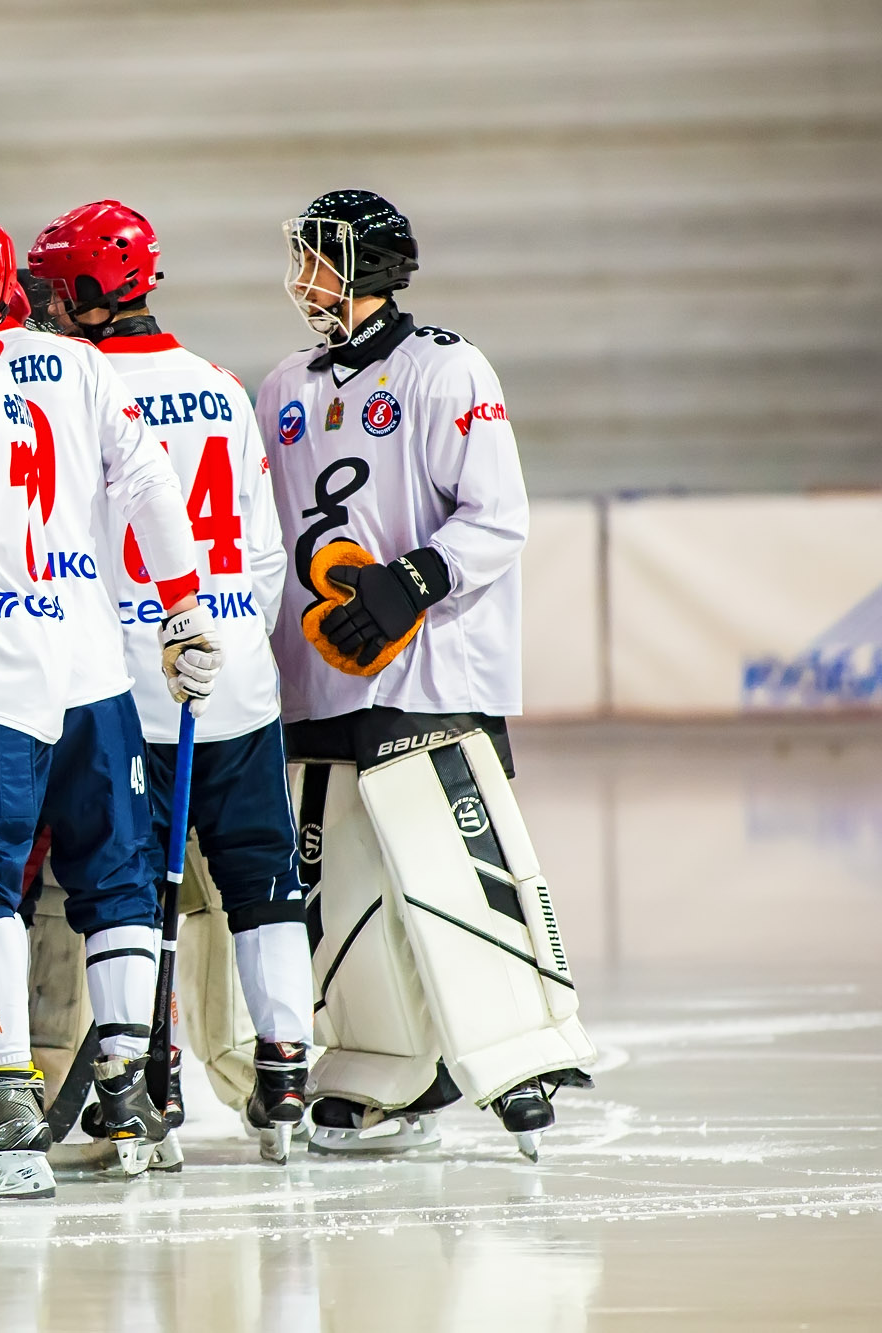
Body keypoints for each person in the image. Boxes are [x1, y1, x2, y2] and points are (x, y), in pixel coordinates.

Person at [259, 189, 594, 1160]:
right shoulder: (281, 382)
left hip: (431, 669)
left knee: (453, 864)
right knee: (334, 882)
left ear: (366, 268)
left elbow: (495, 513)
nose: (302, 276)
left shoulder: (447, 367)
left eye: (318, 257)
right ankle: (382, 1068)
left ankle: (519, 1053)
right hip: (314, 679)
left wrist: (412, 584)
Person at [32, 198, 311, 1163]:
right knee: (263, 881)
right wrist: (230, 635)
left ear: (80, 293)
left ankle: (144, 1076)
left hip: (126, 680)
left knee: (129, 889)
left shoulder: (72, 383)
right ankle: (285, 1077)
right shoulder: (221, 385)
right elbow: (267, 549)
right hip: (234, 675)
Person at [0, 208, 214, 1175]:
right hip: (93, 663)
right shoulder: (106, 373)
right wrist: (187, 612)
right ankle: (129, 1075)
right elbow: (157, 491)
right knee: (118, 874)